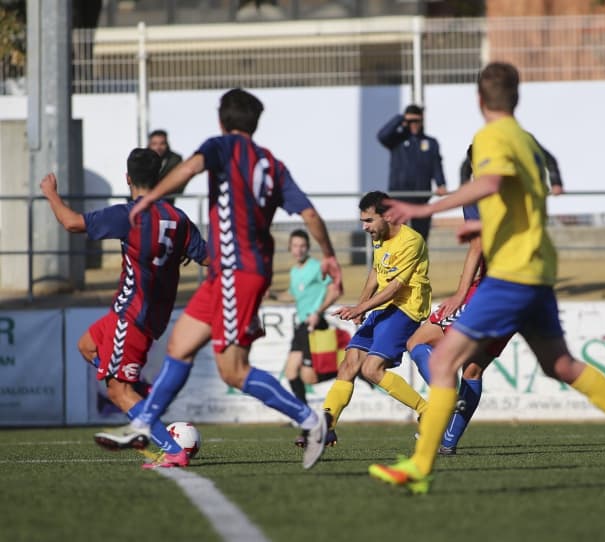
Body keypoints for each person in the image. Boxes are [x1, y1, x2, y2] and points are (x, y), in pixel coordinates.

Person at [369, 62, 605, 494]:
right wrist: (486, 227)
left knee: (445, 360)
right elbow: (517, 197)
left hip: (509, 276)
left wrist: (426, 209)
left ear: (478, 99)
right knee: (559, 364)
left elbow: (489, 181)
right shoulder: (527, 143)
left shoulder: (490, 138)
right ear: (517, 98)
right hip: (539, 269)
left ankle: (421, 464)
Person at [94, 88, 343, 470]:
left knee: (234, 370)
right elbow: (308, 214)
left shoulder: (222, 147)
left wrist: (150, 198)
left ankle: (312, 422)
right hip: (234, 272)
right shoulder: (273, 165)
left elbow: (190, 168)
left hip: (236, 270)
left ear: (222, 121)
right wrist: (328, 254)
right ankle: (143, 423)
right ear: (254, 123)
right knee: (180, 345)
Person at [40, 148, 208, 464]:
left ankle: (172, 450)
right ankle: (143, 403)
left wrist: (51, 194)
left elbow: (73, 223)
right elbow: (209, 257)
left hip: (132, 315)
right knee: (87, 347)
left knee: (117, 392)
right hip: (145, 315)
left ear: (127, 178)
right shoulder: (178, 219)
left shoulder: (129, 214)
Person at [409, 141, 563, 455]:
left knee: (418, 343)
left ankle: (444, 401)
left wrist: (461, 294)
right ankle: (448, 443)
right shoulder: (518, 189)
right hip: (528, 289)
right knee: (474, 370)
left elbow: (478, 248)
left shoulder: (480, 193)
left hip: (492, 290)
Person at [313, 190, 431, 447]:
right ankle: (328, 427)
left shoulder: (412, 241)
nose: (364, 227)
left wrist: (360, 308)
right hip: (382, 307)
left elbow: (395, 287)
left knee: (371, 369)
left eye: (368, 221)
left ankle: (426, 411)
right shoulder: (380, 238)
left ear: (387, 216)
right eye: (362, 222)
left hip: (405, 309)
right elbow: (377, 273)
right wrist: (362, 306)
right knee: (348, 364)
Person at [284, 229, 341, 406]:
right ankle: (304, 416)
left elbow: (334, 291)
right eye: (295, 246)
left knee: (309, 378)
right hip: (302, 326)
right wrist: (269, 294)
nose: (299, 249)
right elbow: (293, 295)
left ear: (308, 248)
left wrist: (318, 312)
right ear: (290, 248)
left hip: (314, 323)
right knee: (291, 372)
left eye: (302, 246)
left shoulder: (316, 267)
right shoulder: (294, 271)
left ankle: (348, 369)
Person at [377, 104, 447, 242]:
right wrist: (401, 118)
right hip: (398, 197)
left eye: (417, 121)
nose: (414, 124)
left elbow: (436, 165)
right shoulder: (396, 140)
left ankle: (417, 264)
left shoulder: (431, 143)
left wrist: (441, 184)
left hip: (421, 197)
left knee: (420, 239)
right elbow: (381, 135)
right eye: (411, 121)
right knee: (395, 239)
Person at [148, 129, 184, 205]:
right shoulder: (141, 158)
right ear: (149, 145)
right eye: (154, 144)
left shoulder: (175, 159)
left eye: (162, 144)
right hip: (144, 202)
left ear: (167, 144)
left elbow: (181, 181)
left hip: (167, 202)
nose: (158, 147)